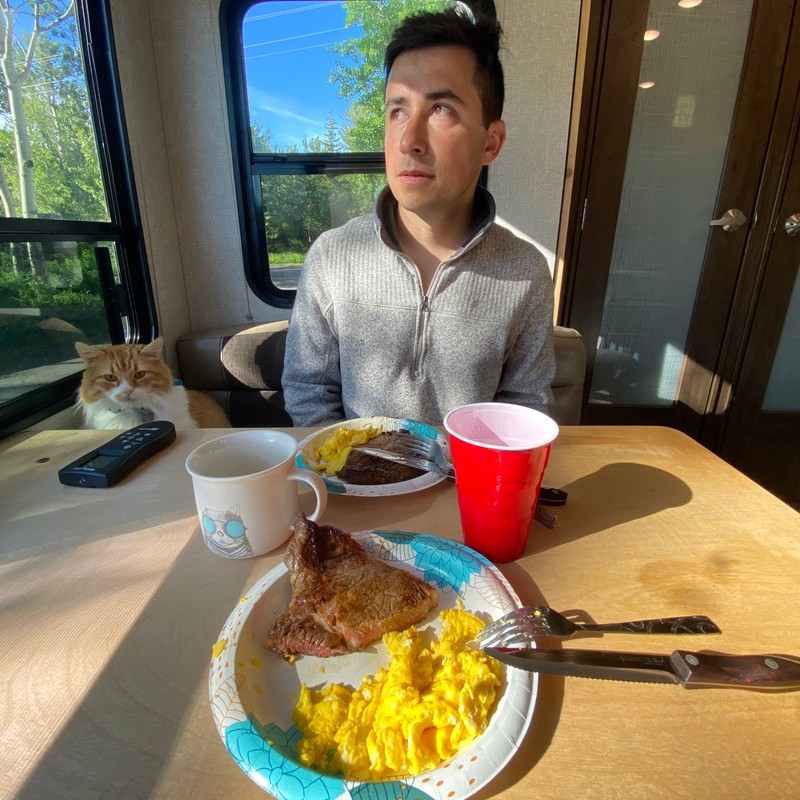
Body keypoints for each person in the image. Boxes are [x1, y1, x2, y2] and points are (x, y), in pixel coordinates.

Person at [282, 6, 555, 426]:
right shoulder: (332, 256)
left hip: (463, 485)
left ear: (491, 142)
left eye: (441, 109)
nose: (410, 139)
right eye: (398, 111)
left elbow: (523, 407)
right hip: (353, 483)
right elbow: (307, 389)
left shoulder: (525, 271)